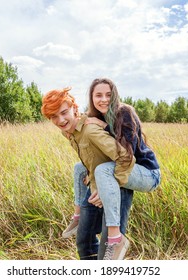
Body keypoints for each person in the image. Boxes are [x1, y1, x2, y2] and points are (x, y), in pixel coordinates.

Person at [60, 78, 161, 260]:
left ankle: (116, 238)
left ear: (114, 95)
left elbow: (127, 157)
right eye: (98, 95)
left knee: (103, 171)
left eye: (108, 95)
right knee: (79, 168)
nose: (104, 99)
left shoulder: (125, 112)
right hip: (121, 170)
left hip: (145, 172)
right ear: (92, 97)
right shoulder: (95, 117)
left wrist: (103, 185)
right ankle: (77, 216)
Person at [41, 87, 135, 260]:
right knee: (84, 242)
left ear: (74, 108)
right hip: (95, 184)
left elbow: (125, 157)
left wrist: (109, 185)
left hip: (115, 186)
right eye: (54, 116)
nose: (60, 120)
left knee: (108, 252)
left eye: (63, 112)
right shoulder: (68, 131)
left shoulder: (90, 130)